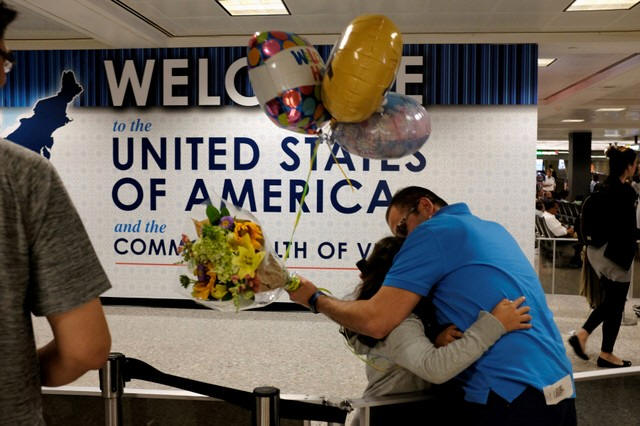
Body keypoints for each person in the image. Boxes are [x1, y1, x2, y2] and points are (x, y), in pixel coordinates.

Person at [289, 186, 576, 426]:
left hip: (506, 393)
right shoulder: (492, 229)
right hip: (558, 382)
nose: (404, 243)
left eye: (402, 229)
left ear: (425, 206)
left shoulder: (432, 232)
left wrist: (315, 299)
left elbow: (377, 321)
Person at [0, 4, 112, 424]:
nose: (6, 72)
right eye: (5, 59)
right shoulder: (22, 175)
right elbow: (86, 348)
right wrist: (16, 374)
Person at [344, 236, 532, 426]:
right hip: (392, 415)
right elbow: (434, 368)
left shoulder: (393, 317)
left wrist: (433, 340)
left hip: (390, 412)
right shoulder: (398, 323)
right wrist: (494, 325)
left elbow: (407, 356)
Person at [568, 146, 638, 368]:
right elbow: (628, 228)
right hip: (614, 254)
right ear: (628, 166)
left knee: (612, 302)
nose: (636, 167)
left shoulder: (602, 187)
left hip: (595, 252)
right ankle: (589, 339)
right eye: (635, 164)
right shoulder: (626, 192)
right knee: (614, 303)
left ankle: (602, 350)